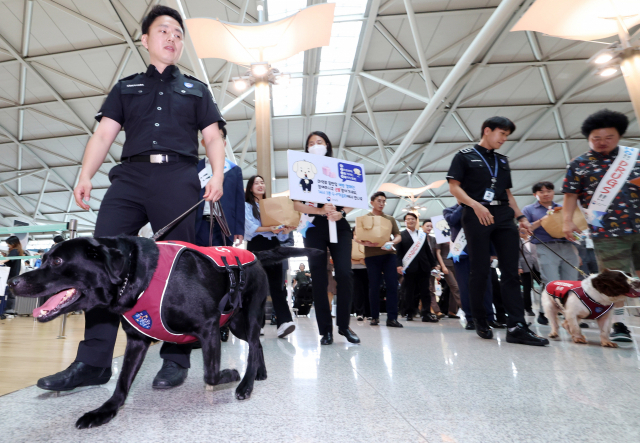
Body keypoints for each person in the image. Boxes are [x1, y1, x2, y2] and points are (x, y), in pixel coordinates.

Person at [35, 6, 227, 392]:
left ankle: (175, 358)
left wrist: (218, 173)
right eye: (163, 31)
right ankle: (93, 363)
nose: (172, 38)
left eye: (178, 33)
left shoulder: (196, 89)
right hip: (130, 178)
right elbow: (104, 136)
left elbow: (212, 137)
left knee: (180, 268)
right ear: (146, 40)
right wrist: (85, 174)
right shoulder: (126, 87)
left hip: (178, 176)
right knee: (98, 264)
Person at [447, 116, 548, 346]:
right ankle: (479, 319)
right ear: (487, 131)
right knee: (480, 270)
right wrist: (475, 205)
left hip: (503, 215)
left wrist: (520, 217)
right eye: (501, 134)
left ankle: (516, 326)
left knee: (511, 271)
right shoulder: (464, 156)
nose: (504, 139)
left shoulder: (502, 161)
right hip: (475, 214)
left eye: (506, 135)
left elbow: (508, 193)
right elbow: (454, 187)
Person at [563, 109, 640, 342]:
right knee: (615, 283)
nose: (602, 142)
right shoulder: (579, 164)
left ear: (619, 136)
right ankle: (619, 325)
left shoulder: (634, 157)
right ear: (588, 138)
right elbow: (570, 196)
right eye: (596, 138)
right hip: (607, 233)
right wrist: (567, 221)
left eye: (609, 137)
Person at [293, 131, 360, 345]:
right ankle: (325, 330)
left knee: (344, 273)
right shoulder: (302, 170)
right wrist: (321, 211)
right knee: (319, 277)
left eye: (319, 142)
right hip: (314, 226)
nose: (315, 145)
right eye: (311, 143)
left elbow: (354, 196)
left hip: (339, 224)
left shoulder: (339, 168)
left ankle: (343, 326)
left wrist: (342, 213)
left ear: (327, 145)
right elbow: (296, 204)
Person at [244, 175, 296, 338]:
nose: (260, 185)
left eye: (262, 182)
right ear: (250, 187)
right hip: (256, 246)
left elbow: (280, 235)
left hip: (274, 245)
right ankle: (257, 324)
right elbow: (249, 228)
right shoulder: (246, 205)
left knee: (277, 286)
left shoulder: (272, 205)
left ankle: (284, 322)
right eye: (256, 183)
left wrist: (284, 230)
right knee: (257, 286)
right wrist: (269, 228)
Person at [521, 181, 580, 324]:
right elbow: (524, 231)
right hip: (545, 246)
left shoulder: (563, 208)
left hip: (567, 245)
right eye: (541, 192)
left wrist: (576, 251)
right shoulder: (529, 210)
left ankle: (570, 313)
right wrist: (543, 219)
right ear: (535, 195)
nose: (546, 194)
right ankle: (544, 312)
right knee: (551, 280)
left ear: (553, 192)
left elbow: (575, 227)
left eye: (549, 190)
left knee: (571, 281)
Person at [443, 204, 500, 330]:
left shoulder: (481, 207)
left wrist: (493, 253)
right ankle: (470, 318)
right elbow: (452, 220)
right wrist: (463, 205)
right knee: (465, 287)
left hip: (482, 251)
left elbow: (489, 229)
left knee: (486, 286)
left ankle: (489, 317)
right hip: (461, 253)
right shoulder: (449, 210)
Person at [356, 192, 403, 328]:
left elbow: (398, 235)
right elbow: (357, 237)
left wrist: (392, 242)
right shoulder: (364, 218)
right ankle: (374, 317)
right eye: (379, 201)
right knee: (374, 286)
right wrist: (365, 243)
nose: (381, 204)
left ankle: (392, 318)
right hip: (372, 255)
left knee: (392, 286)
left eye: (383, 201)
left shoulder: (390, 219)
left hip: (389, 254)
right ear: (372, 202)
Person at [195, 125, 245, 247]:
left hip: (224, 223)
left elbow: (239, 202)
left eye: (220, 137)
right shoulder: (194, 167)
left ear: (224, 142)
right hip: (198, 223)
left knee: (222, 262)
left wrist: (239, 229)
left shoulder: (234, 170)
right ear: (203, 142)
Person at [396, 213, 438, 322]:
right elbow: (399, 253)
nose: (410, 221)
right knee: (409, 291)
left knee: (426, 291)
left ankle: (426, 314)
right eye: (408, 219)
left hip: (424, 266)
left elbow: (428, 251)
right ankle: (410, 313)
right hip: (409, 267)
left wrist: (434, 264)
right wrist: (399, 265)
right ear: (405, 222)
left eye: (412, 219)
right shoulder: (401, 235)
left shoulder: (422, 235)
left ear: (416, 221)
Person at [434, 232, 461, 318]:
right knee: (455, 287)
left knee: (455, 288)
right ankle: (466, 308)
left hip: (457, 264)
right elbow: (438, 253)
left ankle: (452, 311)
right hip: (446, 265)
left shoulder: (456, 234)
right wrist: (443, 266)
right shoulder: (440, 235)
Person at [422, 219, 445, 318]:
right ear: (422, 226)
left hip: (431, 267)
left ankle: (430, 309)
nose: (429, 228)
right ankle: (435, 310)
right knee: (428, 289)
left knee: (431, 288)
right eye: (427, 226)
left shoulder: (433, 239)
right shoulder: (419, 238)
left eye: (431, 226)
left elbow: (435, 254)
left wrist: (436, 264)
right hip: (421, 266)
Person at [1, 236, 26, 316]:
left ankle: (8, 310)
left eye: (8, 244)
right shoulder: (17, 250)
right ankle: (9, 309)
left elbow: (8, 260)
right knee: (10, 293)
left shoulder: (14, 251)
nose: (8, 245)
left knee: (9, 293)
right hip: (14, 275)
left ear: (12, 243)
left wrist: (2, 260)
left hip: (11, 275)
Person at [518, 232, 540, 317]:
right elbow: (517, 255)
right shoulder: (518, 241)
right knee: (527, 289)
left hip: (536, 266)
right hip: (525, 267)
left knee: (544, 286)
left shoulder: (533, 239)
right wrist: (519, 267)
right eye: (521, 230)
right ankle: (528, 308)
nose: (523, 232)